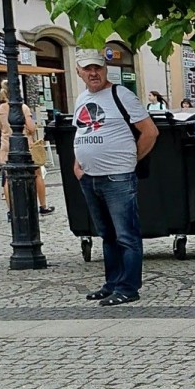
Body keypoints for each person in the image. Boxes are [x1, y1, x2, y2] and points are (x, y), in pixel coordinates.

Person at [72, 48, 158, 307]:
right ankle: (112, 283)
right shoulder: (81, 98)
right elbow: (81, 131)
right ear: (79, 72)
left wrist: (130, 161)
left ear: (105, 69)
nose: (93, 73)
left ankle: (128, 287)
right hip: (90, 177)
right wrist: (78, 165)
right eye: (87, 69)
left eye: (97, 67)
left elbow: (150, 132)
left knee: (126, 235)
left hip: (117, 177)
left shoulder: (121, 94)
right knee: (107, 235)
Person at [0, 86, 54, 216]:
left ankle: (11, 210)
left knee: (7, 177)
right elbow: (31, 128)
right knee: (37, 174)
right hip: (24, 145)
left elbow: (0, 127)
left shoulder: (0, 109)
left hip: (6, 145)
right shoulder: (23, 107)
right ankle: (43, 205)